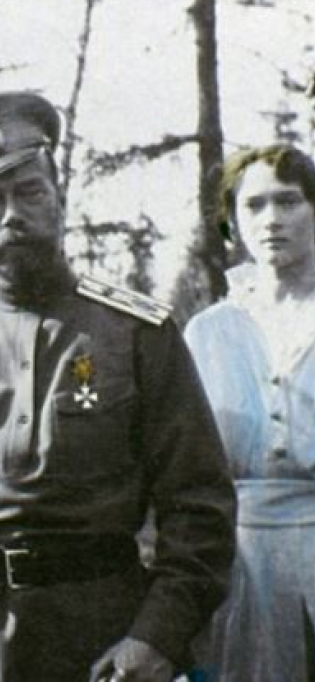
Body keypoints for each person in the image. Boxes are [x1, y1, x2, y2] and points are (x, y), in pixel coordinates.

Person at [0, 91, 236, 682]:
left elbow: (200, 505)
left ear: (60, 199)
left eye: (30, 192)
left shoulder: (136, 334)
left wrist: (157, 636)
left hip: (103, 641)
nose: (12, 214)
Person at [185, 144, 315, 680]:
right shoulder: (208, 332)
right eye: (254, 205)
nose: (271, 220)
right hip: (236, 564)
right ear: (232, 222)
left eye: (288, 202)